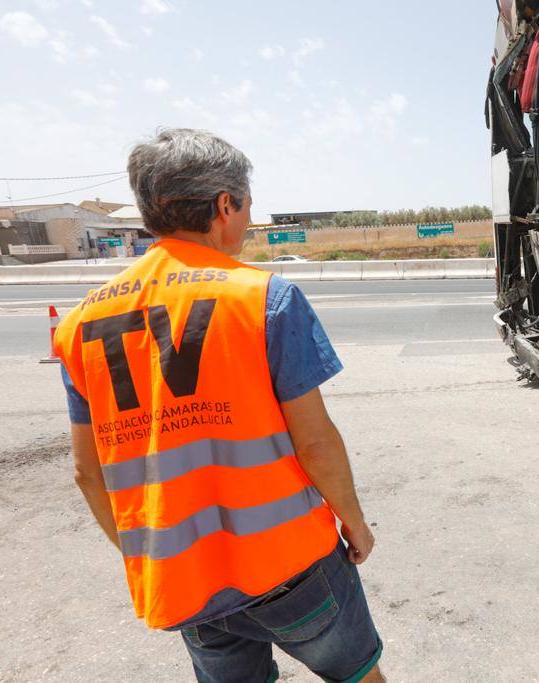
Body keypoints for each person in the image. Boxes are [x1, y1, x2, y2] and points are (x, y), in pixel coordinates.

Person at [54, 128, 384, 683]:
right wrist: (355, 523)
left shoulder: (78, 325)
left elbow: (89, 473)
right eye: (247, 205)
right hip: (291, 567)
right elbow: (317, 442)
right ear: (224, 204)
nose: (249, 220)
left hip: (188, 585)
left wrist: (152, 556)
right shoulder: (263, 298)